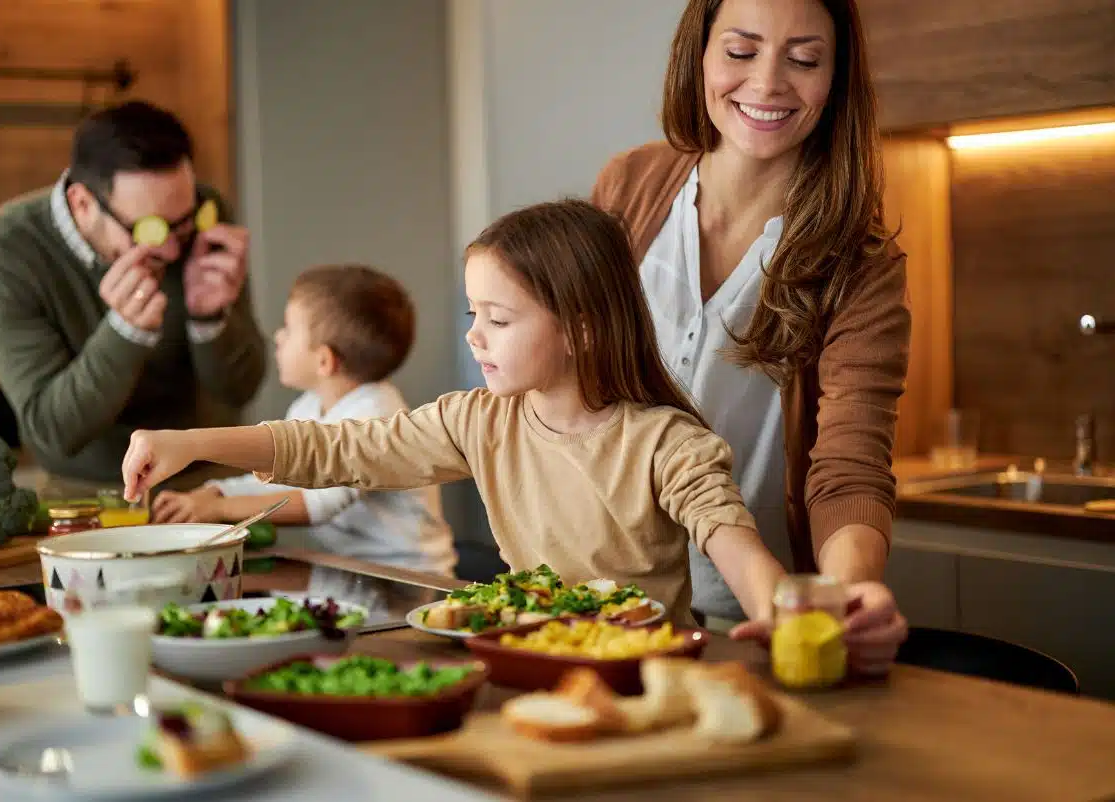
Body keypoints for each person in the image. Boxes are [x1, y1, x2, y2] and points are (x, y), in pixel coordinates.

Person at [120, 199, 789, 627]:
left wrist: (778, 614)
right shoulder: (478, 421)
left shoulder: (665, 443)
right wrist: (190, 442)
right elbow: (334, 451)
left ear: (582, 330)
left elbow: (730, 537)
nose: (474, 336)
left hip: (641, 674)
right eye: (475, 314)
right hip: (527, 655)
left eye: (498, 318)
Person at [590, 0, 909, 673]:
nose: (767, 84)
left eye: (804, 59)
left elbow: (849, 463)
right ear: (699, 54)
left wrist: (848, 593)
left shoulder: (860, 260)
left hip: (750, 621)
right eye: (740, 51)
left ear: (837, 78)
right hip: (598, 601)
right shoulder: (630, 188)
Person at [0, 101, 267, 490]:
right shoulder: (2, 252)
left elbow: (241, 388)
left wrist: (211, 321)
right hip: (89, 492)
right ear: (83, 204)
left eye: (183, 224)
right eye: (150, 229)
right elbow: (54, 431)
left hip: (213, 483)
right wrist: (125, 332)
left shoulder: (205, 213)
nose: (173, 250)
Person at [149, 264, 458, 577]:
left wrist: (218, 509)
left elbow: (318, 504)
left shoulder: (377, 415)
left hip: (411, 576)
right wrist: (215, 492)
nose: (278, 336)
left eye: (289, 328)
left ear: (324, 360)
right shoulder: (308, 407)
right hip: (354, 571)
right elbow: (279, 475)